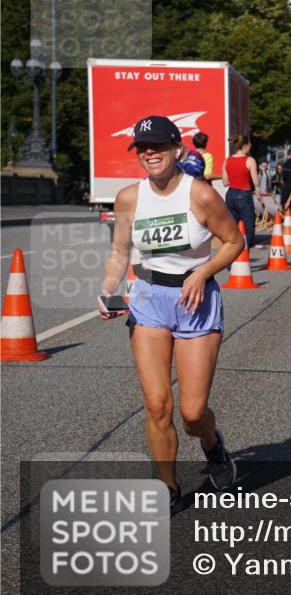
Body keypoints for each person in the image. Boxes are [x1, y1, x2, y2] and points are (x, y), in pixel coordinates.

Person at [99, 115, 243, 514]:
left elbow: (234, 241)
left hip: (195, 301)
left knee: (192, 413)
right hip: (148, 299)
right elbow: (119, 251)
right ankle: (168, 487)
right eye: (143, 148)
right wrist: (109, 288)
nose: (150, 153)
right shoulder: (129, 197)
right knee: (157, 405)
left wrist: (203, 270)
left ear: (177, 149)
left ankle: (213, 447)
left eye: (158, 146)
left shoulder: (200, 195)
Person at [223, 135, 264, 250]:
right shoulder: (249, 160)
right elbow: (256, 182)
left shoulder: (227, 160)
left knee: (232, 227)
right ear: (245, 146)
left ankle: (233, 255)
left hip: (230, 194)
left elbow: (225, 182)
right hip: (244, 195)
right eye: (250, 144)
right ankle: (244, 252)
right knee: (248, 227)